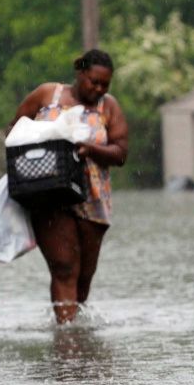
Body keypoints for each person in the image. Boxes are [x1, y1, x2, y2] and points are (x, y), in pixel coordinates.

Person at [8, 49, 128, 323]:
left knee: (84, 275)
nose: (98, 89)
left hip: (93, 197)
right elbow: (14, 131)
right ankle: (65, 340)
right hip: (47, 192)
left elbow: (121, 152)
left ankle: (76, 337)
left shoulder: (108, 107)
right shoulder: (46, 95)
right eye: (93, 81)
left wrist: (91, 149)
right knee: (64, 268)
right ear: (80, 73)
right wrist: (45, 141)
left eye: (104, 85)